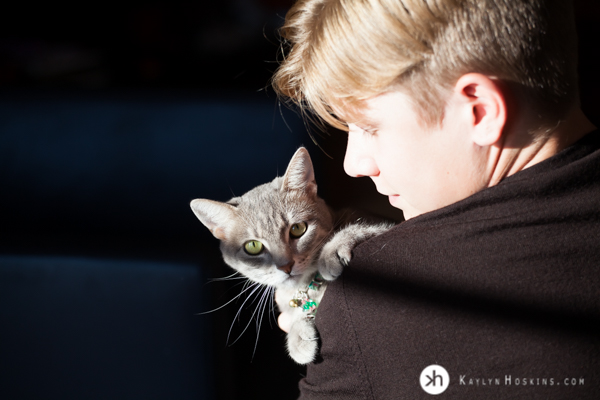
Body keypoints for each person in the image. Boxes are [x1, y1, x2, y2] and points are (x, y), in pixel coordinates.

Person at [272, 0, 600, 399]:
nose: (353, 164)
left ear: (479, 110)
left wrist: (346, 319)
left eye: (368, 127)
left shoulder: (374, 300)